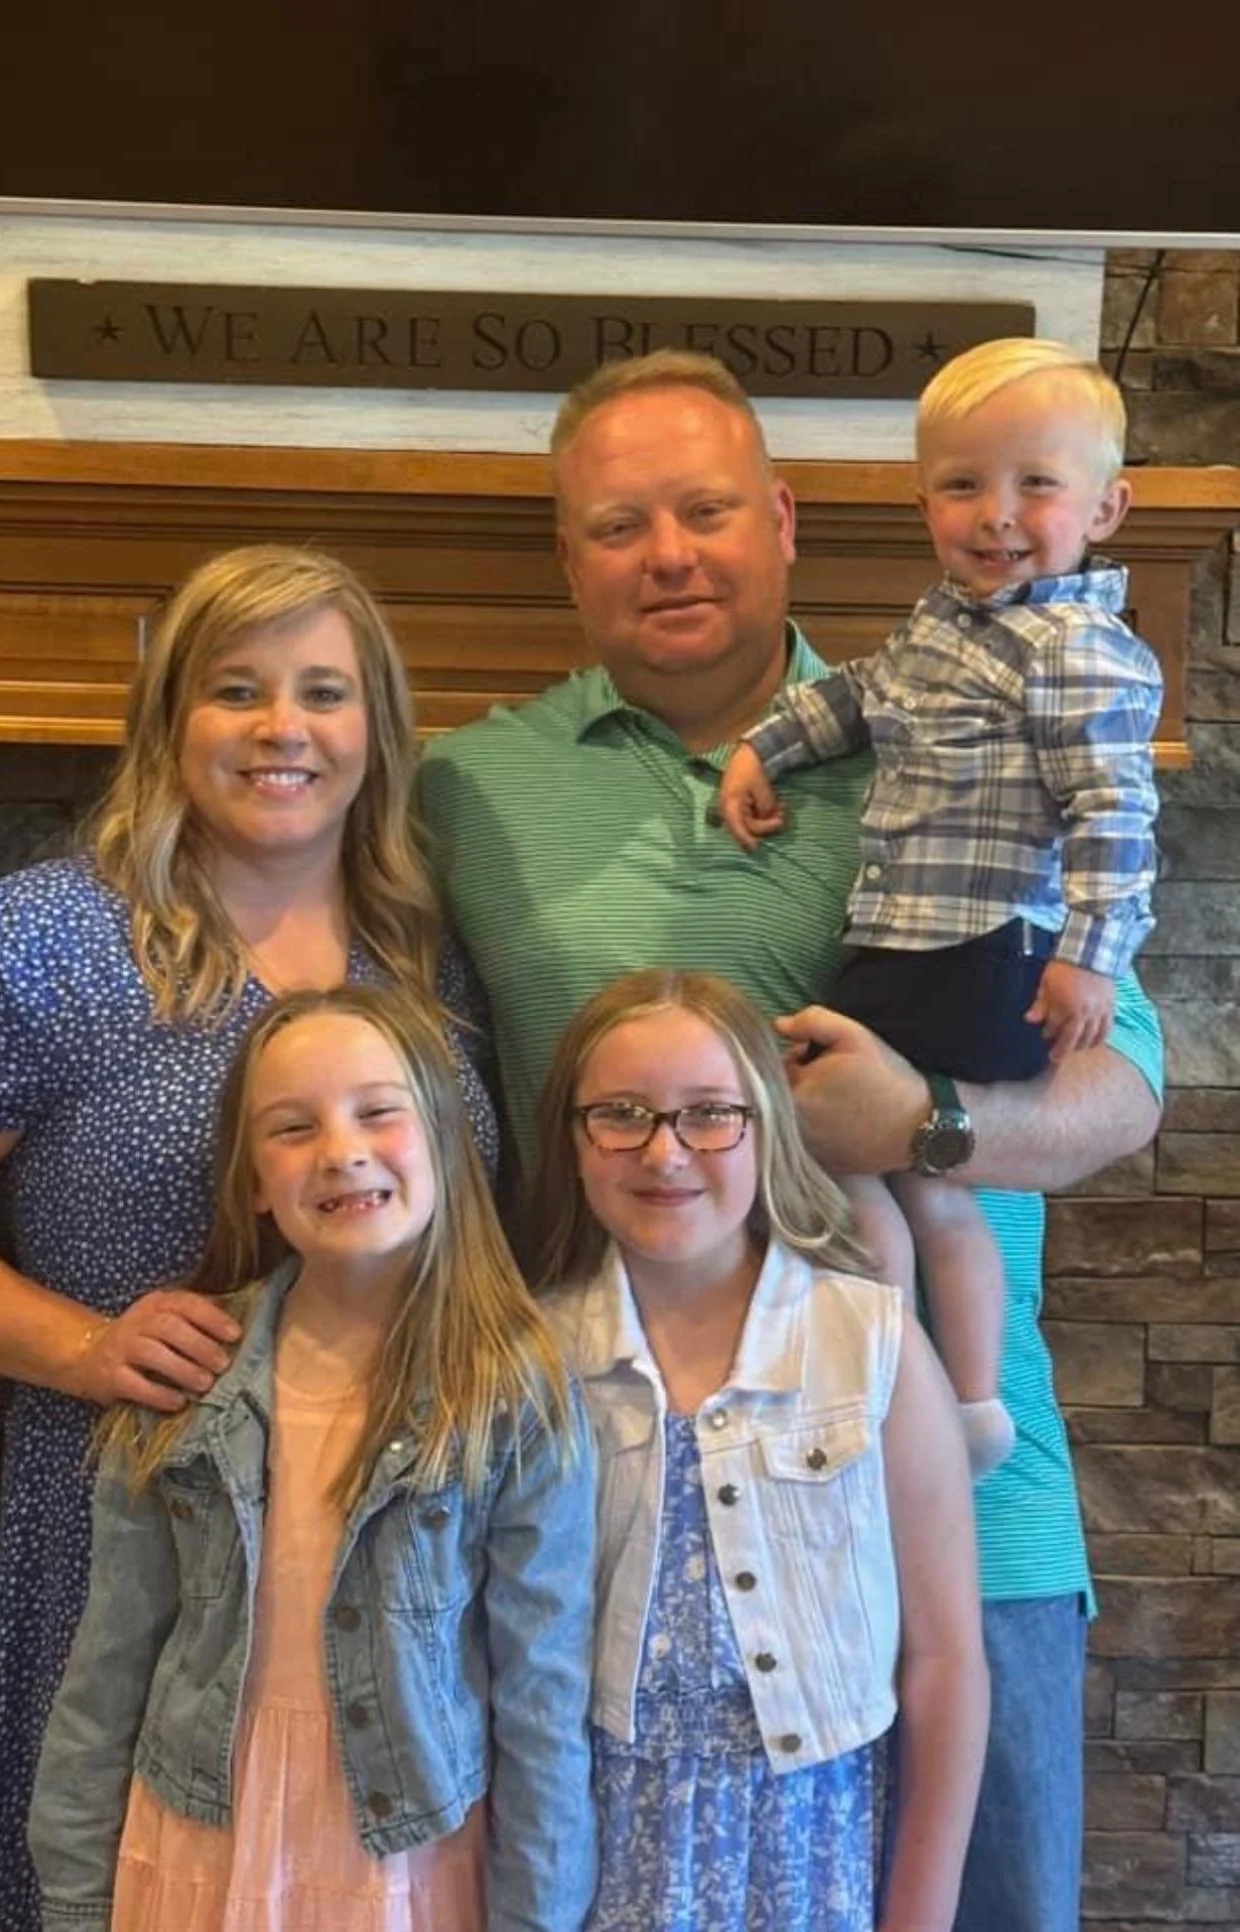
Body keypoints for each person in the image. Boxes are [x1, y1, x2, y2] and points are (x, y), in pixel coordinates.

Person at [419, 349, 1165, 1932]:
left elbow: (1126, 1092)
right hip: (602, 1510)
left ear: (787, 522)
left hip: (967, 1494)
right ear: (567, 559)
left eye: (704, 511)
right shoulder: (465, 794)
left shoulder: (978, 717)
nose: (668, 553)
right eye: (619, 525)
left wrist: (932, 1125)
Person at [0, 546, 498, 1932]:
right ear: (168, 721)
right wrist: (83, 1346)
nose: (281, 730)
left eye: (324, 692)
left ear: (377, 730)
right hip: (135, 1531)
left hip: (401, 1554)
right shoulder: (43, 941)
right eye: (235, 690)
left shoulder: (426, 951)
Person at [28, 982, 596, 1931]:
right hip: (197, 1838)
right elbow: (110, 1660)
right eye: (293, 1129)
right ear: (252, 1178)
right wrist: (76, 1894)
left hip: (403, 1861)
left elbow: (542, 1688)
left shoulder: (512, 1387)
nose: (342, 1151)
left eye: (379, 1111)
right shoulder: (188, 1375)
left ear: (448, 1139)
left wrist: (537, 1913)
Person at [717, 338, 1163, 1481]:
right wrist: (761, 750)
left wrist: (1087, 958)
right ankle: (919, 1393)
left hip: (982, 949)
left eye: (1036, 485)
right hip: (903, 940)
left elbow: (1115, 806)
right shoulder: (945, 627)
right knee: (883, 1180)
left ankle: (942, 1397)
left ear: (1107, 507)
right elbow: (859, 696)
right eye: (963, 485)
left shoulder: (1077, 649)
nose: (995, 515)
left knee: (894, 1164)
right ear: (922, 500)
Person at [531, 968, 988, 1931]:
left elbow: (945, 1655)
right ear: (572, 1141)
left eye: (708, 1114)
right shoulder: (533, 1359)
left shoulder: (872, 1344)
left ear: (766, 1127)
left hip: (813, 1850)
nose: (666, 1152)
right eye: (620, 1114)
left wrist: (920, 1912)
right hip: (592, 1847)